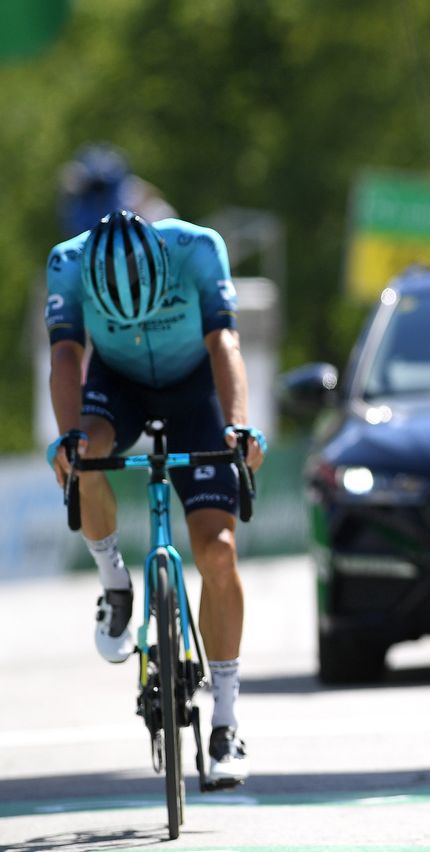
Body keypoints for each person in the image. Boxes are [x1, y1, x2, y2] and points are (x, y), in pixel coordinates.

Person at [44, 210, 266, 785]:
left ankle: (225, 721)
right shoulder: (68, 262)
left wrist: (239, 428)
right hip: (117, 386)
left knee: (217, 551)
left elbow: (224, 340)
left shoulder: (198, 249)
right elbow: (67, 356)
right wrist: (69, 442)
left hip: (195, 390)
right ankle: (114, 582)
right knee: (85, 458)